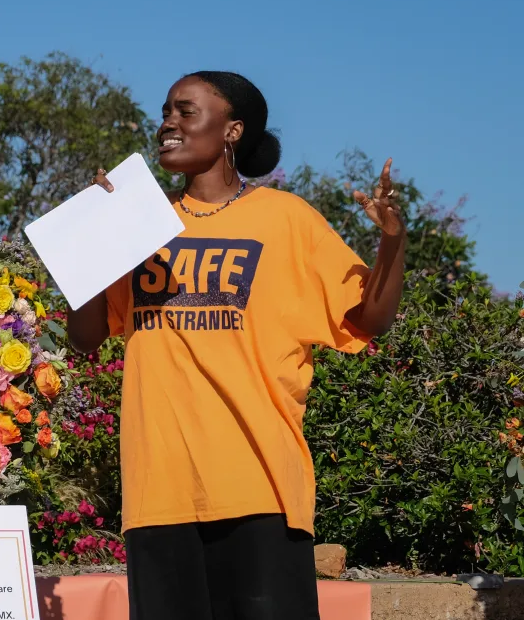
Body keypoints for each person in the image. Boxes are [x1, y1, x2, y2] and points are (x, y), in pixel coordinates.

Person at [67, 71, 406, 620]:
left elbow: (370, 317)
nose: (167, 123)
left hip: (259, 486)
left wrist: (393, 241)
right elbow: (85, 338)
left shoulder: (286, 218)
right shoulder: (135, 224)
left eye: (185, 111)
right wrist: (88, 240)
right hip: (159, 491)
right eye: (165, 112)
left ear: (232, 130)